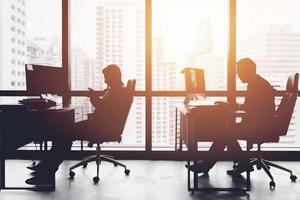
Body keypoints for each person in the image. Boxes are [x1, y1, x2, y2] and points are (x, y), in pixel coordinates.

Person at [25, 64, 128, 185]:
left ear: (113, 76)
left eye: (106, 77)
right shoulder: (116, 90)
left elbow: (105, 110)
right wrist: (95, 101)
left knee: (63, 134)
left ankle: (47, 173)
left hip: (101, 128)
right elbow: (106, 111)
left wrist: (94, 98)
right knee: (63, 130)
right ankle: (46, 167)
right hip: (100, 125)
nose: (105, 80)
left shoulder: (117, 92)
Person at [188, 58, 276, 174]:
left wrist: (229, 107)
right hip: (259, 123)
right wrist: (230, 105)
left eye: (239, 71)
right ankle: (242, 163)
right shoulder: (256, 82)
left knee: (225, 133)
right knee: (227, 133)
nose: (237, 75)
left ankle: (209, 165)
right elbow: (249, 106)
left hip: (260, 126)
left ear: (247, 71)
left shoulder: (257, 85)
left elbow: (249, 108)